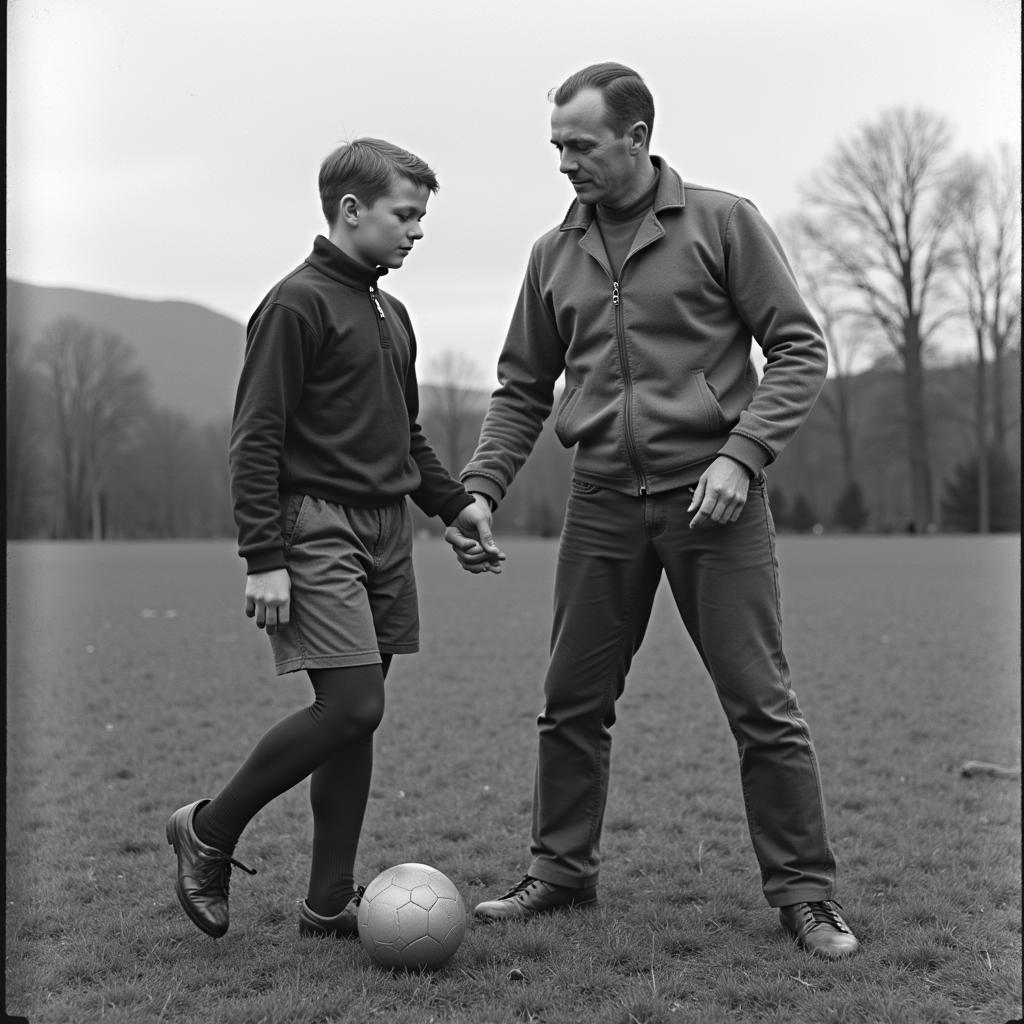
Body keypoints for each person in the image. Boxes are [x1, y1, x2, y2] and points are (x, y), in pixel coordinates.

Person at [445, 63, 859, 960]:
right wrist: (478, 488)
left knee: (762, 705)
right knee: (570, 703)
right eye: (557, 146)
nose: (565, 163)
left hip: (714, 505)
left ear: (637, 138)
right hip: (600, 504)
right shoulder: (553, 253)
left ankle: (805, 895)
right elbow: (522, 386)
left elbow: (796, 348)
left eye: (581, 145)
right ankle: (560, 873)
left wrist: (741, 456)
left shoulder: (722, 222)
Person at [166, 137, 502, 940]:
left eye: (423, 218)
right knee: (352, 703)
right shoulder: (296, 304)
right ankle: (208, 830)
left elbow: (404, 435)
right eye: (405, 215)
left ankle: (327, 901)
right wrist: (265, 560)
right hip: (316, 528)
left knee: (357, 716)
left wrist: (454, 508)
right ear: (352, 210)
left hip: (388, 532)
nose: (417, 232)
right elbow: (255, 438)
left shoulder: (393, 311)